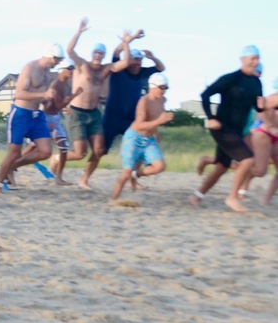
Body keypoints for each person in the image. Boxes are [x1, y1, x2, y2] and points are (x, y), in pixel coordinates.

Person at [191, 46, 264, 213]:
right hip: (222, 127)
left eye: (258, 59)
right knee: (247, 160)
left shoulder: (256, 82)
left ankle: (196, 196)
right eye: (253, 58)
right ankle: (232, 198)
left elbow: (256, 106)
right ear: (243, 59)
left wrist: (260, 107)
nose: (256, 62)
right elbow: (205, 95)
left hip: (237, 130)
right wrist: (211, 118)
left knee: (222, 167)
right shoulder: (231, 79)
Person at [62, 20, 131, 188]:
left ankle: (84, 178)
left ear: (103, 55)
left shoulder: (106, 69)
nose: (98, 55)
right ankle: (57, 159)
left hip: (94, 113)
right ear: (92, 54)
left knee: (99, 150)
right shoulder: (83, 65)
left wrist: (127, 44)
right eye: (96, 52)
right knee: (79, 153)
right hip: (77, 112)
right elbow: (70, 51)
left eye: (101, 53)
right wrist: (79, 32)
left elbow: (125, 63)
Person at [0, 44, 61, 194]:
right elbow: (20, 94)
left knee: (45, 151)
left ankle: (12, 166)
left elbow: (42, 95)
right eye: (56, 59)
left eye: (60, 60)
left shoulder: (48, 73)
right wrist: (43, 95)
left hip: (37, 115)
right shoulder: (30, 68)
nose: (58, 62)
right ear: (48, 55)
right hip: (21, 113)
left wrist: (47, 101)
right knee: (14, 152)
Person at [108, 73, 173, 203]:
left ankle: (136, 174)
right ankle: (113, 200)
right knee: (125, 173)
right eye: (162, 87)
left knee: (160, 166)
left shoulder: (162, 100)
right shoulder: (144, 102)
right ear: (152, 86)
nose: (164, 90)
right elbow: (140, 124)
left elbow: (155, 117)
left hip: (149, 139)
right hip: (134, 138)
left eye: (166, 87)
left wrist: (156, 132)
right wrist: (160, 121)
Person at [104, 44, 166, 149]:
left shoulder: (142, 72)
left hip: (130, 118)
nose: (138, 62)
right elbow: (116, 53)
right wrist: (127, 41)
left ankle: (141, 164)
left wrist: (152, 57)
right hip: (112, 118)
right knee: (100, 151)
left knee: (141, 145)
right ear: (128, 60)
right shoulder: (118, 70)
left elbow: (161, 68)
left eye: (140, 60)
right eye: (135, 59)